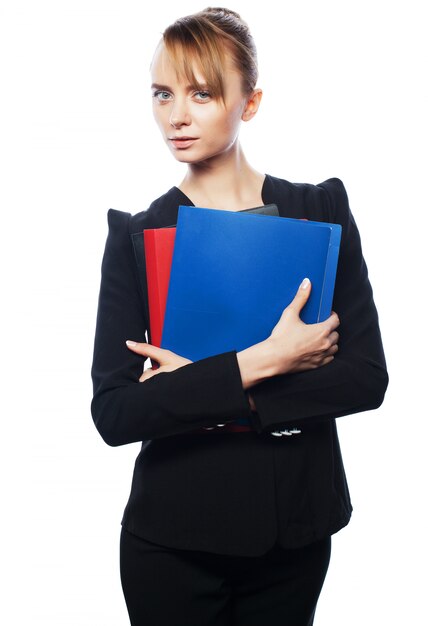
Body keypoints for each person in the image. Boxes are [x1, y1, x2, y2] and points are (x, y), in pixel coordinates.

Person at [90, 7, 388, 626]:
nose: (176, 115)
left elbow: (365, 377)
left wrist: (204, 386)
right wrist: (267, 360)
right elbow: (117, 412)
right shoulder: (138, 235)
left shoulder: (320, 210)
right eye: (162, 93)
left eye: (202, 93)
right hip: (174, 538)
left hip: (295, 531)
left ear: (249, 103)